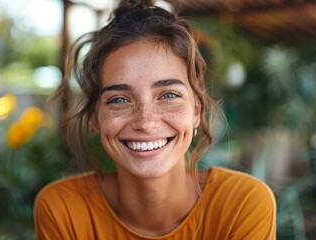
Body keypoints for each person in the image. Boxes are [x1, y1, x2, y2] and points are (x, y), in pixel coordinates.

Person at [34, 0, 276, 239]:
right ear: (95, 118)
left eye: (168, 95)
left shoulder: (242, 206)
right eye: (119, 100)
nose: (146, 122)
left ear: (196, 111)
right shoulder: (63, 210)